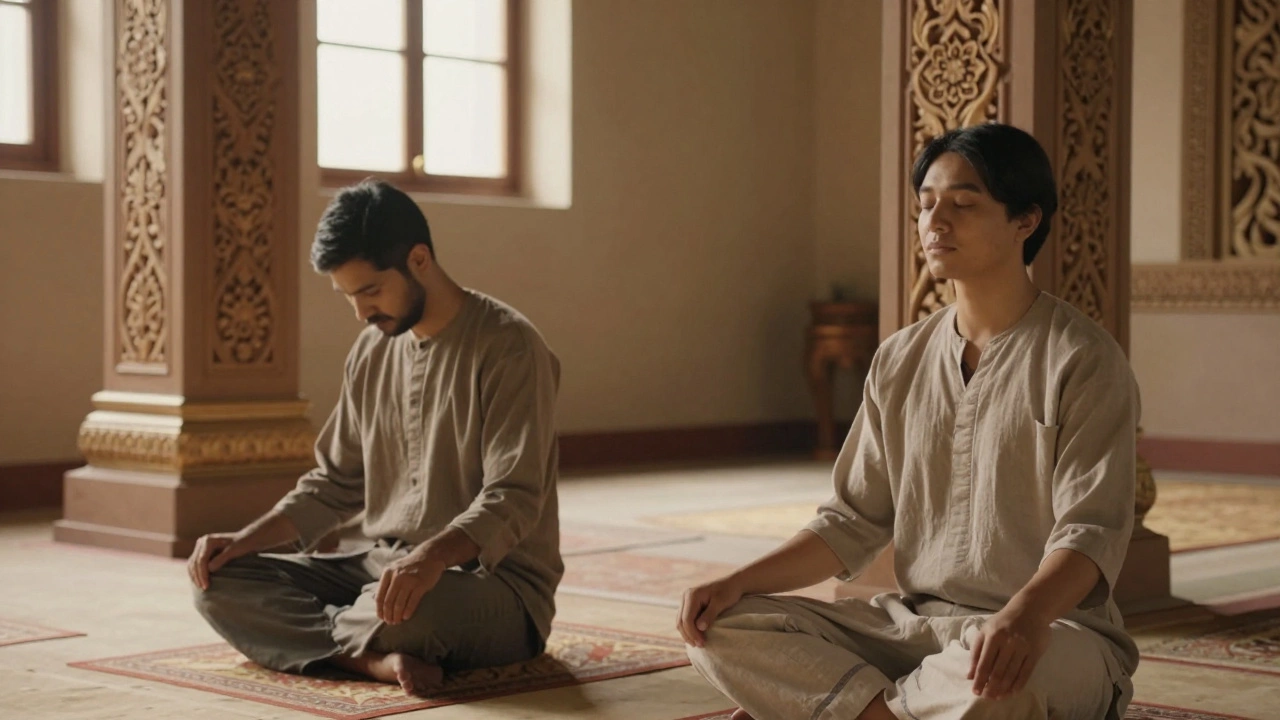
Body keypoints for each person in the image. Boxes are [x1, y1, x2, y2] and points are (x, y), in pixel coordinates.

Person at [679, 123, 1139, 720]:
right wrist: (736, 582)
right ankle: (892, 711)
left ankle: (841, 708)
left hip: (1048, 631)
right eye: (926, 205)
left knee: (1007, 681)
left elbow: (1089, 533)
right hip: (910, 628)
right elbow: (849, 522)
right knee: (719, 625)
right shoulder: (899, 358)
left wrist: (1022, 617)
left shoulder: (1082, 359)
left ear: (1026, 220)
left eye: (963, 205)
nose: (935, 222)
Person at [188, 179, 563, 696]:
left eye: (370, 291)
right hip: (382, 569)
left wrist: (430, 558)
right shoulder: (371, 350)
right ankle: (370, 661)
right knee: (217, 584)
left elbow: (513, 498)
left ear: (419, 260)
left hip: (491, 584)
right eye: (348, 296)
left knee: (416, 611)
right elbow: (334, 483)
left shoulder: (510, 347)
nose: (361, 312)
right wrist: (245, 540)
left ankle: (345, 638)